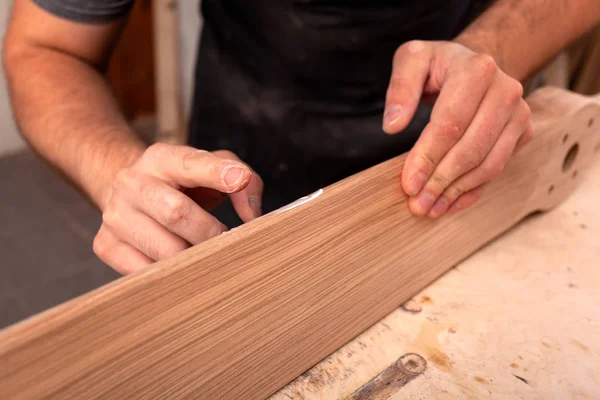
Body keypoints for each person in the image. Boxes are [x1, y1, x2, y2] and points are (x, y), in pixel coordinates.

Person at [3, 0, 599, 274]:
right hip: (246, 177)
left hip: (467, 180)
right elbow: (44, 47)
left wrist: (489, 50)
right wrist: (117, 168)